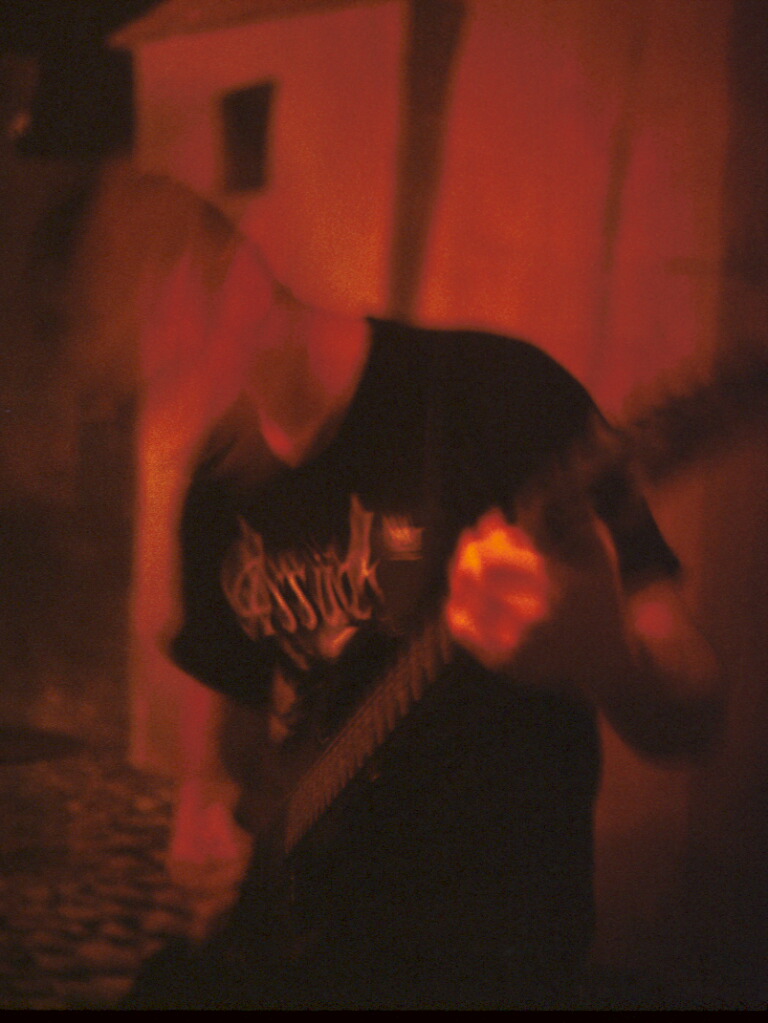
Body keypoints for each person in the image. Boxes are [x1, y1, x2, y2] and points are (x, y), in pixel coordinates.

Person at [125, 226, 722, 1011]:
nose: (143, 394)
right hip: (301, 937)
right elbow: (232, 705)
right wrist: (207, 808)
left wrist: (605, 651)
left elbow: (695, 714)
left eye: (145, 342)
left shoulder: (499, 393)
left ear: (235, 277)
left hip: (483, 954)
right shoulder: (217, 483)